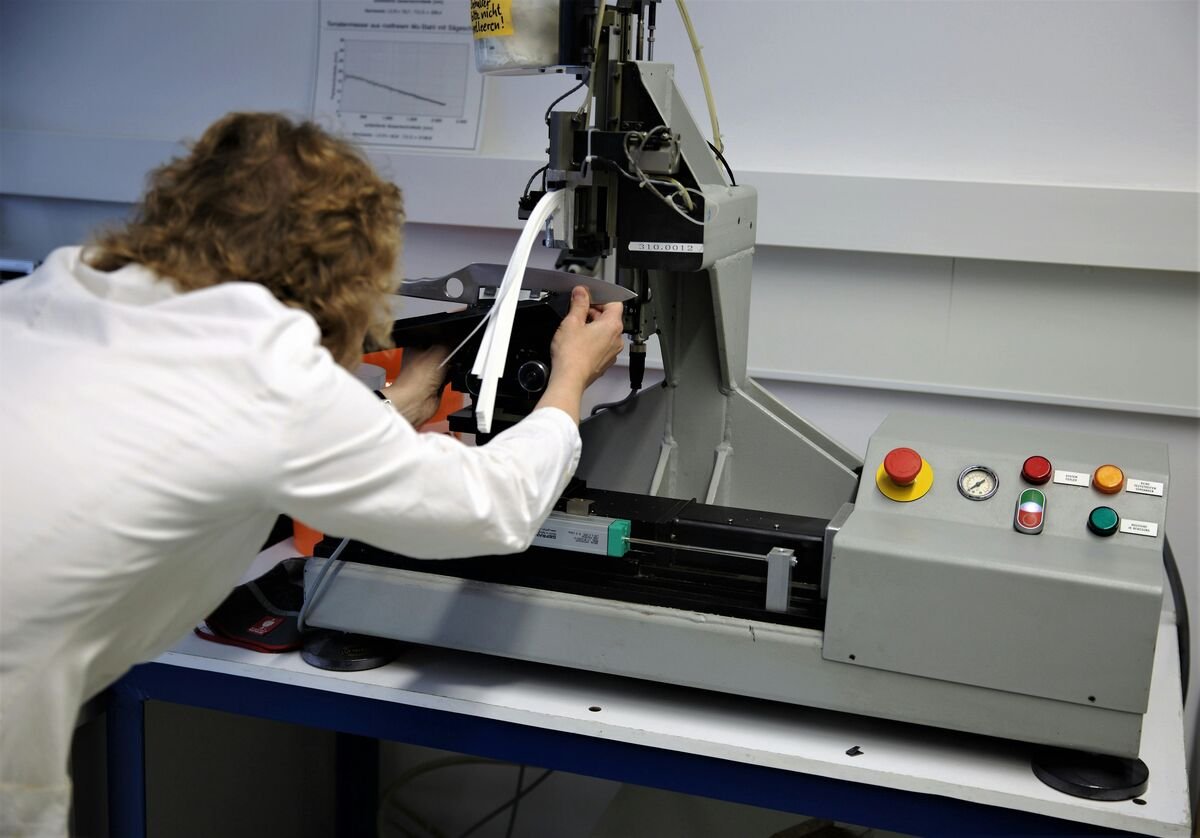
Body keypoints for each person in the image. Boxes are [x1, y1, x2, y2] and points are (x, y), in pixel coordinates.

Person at [0, 112, 624, 836]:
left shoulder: (52, 293)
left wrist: (404, 399)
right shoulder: (264, 369)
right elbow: (495, 507)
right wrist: (570, 382)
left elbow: (210, 444)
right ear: (342, 271)